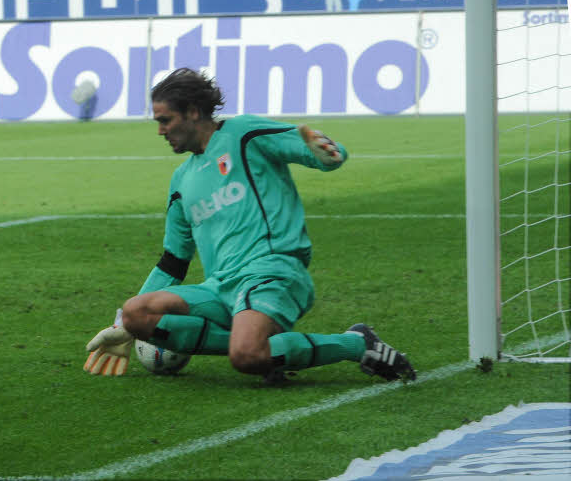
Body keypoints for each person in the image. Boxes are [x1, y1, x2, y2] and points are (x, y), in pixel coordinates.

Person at [82, 69, 417, 387]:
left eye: (165, 121)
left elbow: (311, 147)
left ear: (194, 112)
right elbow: (173, 259)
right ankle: (273, 349)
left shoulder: (242, 135)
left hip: (272, 269)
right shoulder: (181, 180)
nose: (160, 131)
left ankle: (355, 344)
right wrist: (123, 327)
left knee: (245, 356)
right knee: (135, 313)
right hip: (220, 288)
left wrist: (330, 154)